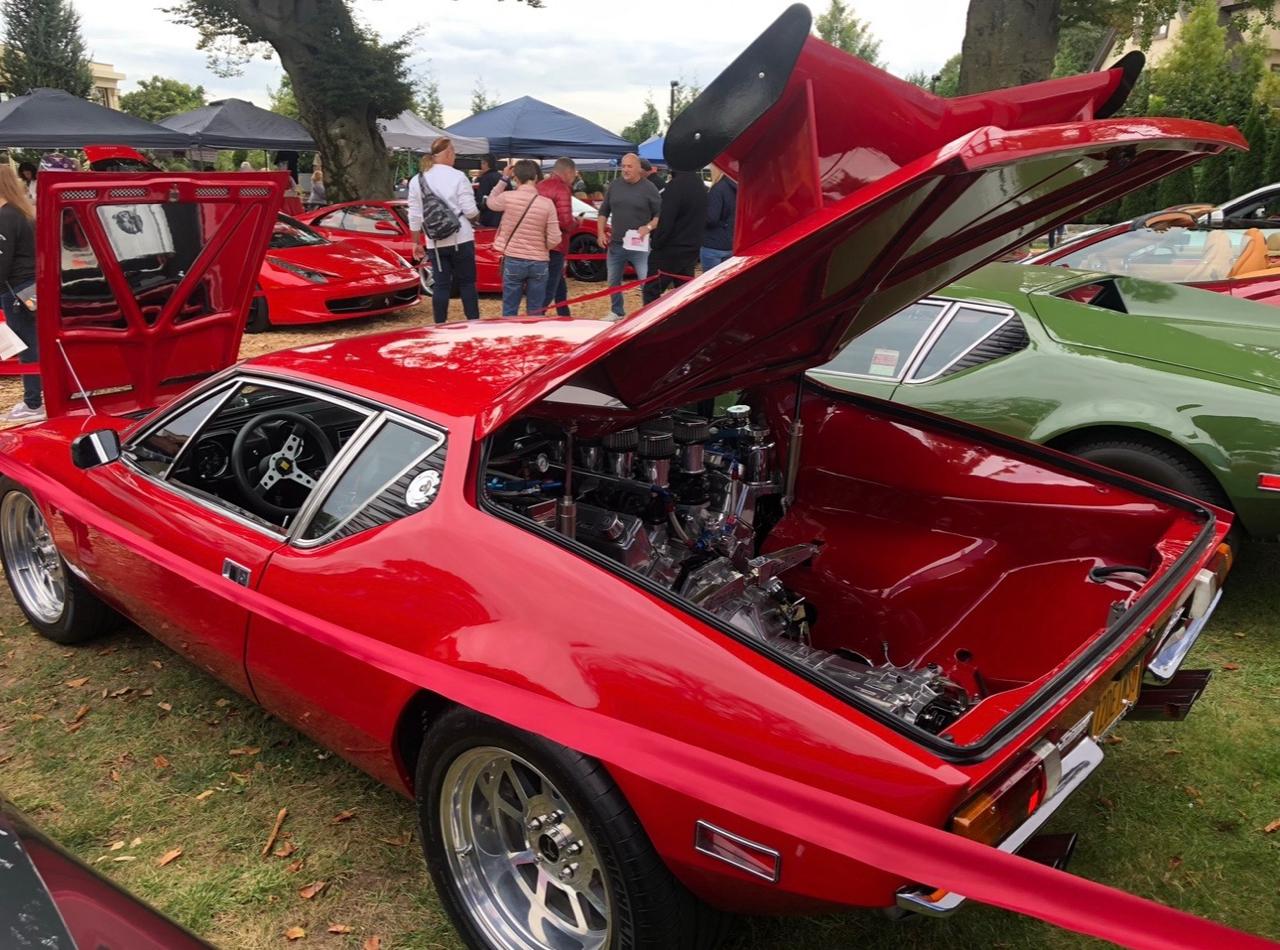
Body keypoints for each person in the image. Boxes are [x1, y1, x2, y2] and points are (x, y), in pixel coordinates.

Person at [408, 137, 481, 324]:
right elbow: (470, 210)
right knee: (467, 283)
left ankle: (439, 324)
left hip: (435, 241)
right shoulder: (458, 176)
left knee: (441, 285)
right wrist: (477, 216)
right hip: (461, 237)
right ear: (448, 153)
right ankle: (473, 323)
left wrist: (415, 241)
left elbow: (414, 214)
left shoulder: (417, 180)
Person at [487, 159, 561, 316]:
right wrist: (543, 247)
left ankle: (511, 337)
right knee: (535, 310)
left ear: (516, 178)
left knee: (509, 309)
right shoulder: (547, 204)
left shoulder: (508, 197)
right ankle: (534, 337)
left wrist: (503, 179)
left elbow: (490, 202)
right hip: (539, 261)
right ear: (535, 177)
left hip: (513, 258)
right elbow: (555, 238)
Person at [598, 153, 660, 319]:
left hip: (640, 244)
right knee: (613, 281)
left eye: (629, 166)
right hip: (616, 244)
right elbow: (603, 211)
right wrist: (600, 232)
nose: (625, 170)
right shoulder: (614, 186)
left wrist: (648, 227)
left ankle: (650, 314)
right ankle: (617, 311)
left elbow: (660, 215)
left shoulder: (649, 188)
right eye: (623, 166)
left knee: (646, 281)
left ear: (639, 169)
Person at [0, 166, 40, 421]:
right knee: (33, 343)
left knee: (26, 345)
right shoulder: (22, 212)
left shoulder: (6, 216)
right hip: (28, 286)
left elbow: (3, 261)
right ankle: (37, 399)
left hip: (15, 290)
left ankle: (33, 402)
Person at [642, 167, 707, 305]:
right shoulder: (698, 184)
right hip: (691, 247)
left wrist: (656, 243)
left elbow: (666, 220)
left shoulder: (676, 185)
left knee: (651, 291)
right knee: (684, 293)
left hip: (670, 248)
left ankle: (653, 325)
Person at [536, 157, 580, 316]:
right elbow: (565, 222)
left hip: (539, 242)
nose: (574, 178)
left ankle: (564, 313)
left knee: (558, 282)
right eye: (574, 174)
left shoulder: (539, 186)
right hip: (557, 244)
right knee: (550, 286)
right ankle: (536, 317)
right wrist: (577, 223)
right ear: (568, 172)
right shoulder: (562, 189)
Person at [701, 165, 737, 272]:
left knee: (709, 281)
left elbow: (711, 218)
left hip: (713, 244)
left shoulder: (717, 189)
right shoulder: (735, 188)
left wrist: (701, 217)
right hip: (729, 242)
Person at [475, 154, 503, 228]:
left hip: (488, 219)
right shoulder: (502, 178)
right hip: (502, 217)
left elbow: (481, 200)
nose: (481, 166)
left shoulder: (485, 178)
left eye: (481, 163)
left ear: (485, 164)